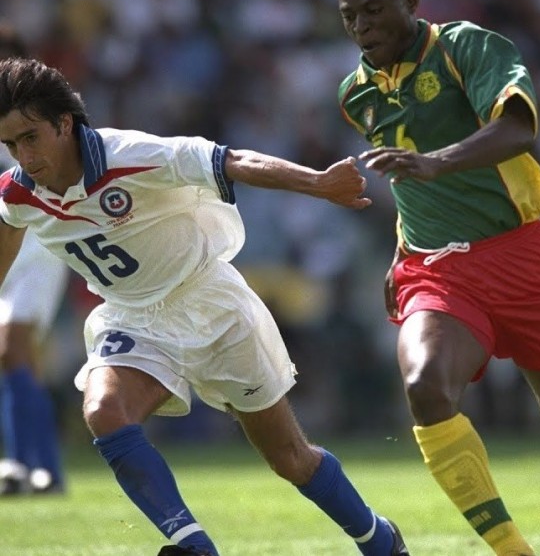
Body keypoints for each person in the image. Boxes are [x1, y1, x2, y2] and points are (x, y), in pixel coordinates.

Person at [0, 57, 409, 556]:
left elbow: (232, 160)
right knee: (105, 409)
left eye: (30, 137)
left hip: (211, 303)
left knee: (289, 458)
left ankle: (380, 539)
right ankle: (193, 545)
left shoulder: (130, 154)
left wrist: (318, 182)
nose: (23, 155)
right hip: (133, 316)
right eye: (10, 144)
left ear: (64, 123)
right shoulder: (19, 192)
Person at [337, 0, 540, 555]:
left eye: (374, 10)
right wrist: (399, 249)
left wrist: (439, 161)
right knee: (426, 385)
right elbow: (406, 178)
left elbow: (517, 128)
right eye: (349, 16)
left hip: (520, 256)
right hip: (436, 268)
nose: (361, 26)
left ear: (412, 1)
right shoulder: (357, 95)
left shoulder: (464, 47)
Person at [0, 23, 69, 496]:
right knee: (9, 356)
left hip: (37, 237)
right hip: (6, 234)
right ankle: (35, 469)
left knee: (12, 345)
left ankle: (33, 466)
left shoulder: (29, 113)